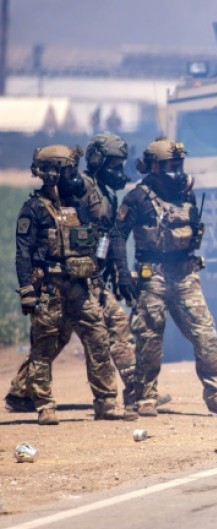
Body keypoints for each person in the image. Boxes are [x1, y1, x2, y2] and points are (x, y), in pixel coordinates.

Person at [5, 132, 147, 416]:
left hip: (83, 284)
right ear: (53, 173)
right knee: (49, 343)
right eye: (68, 169)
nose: (74, 176)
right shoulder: (37, 208)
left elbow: (102, 238)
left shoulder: (80, 205)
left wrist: (114, 274)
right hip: (51, 287)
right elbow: (23, 252)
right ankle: (32, 397)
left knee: (100, 336)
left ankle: (119, 398)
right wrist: (27, 292)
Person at [112, 137, 217, 417]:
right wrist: (122, 273)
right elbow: (118, 235)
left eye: (179, 165)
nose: (176, 171)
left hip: (185, 276)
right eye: (170, 165)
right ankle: (145, 397)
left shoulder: (185, 194)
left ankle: (216, 396)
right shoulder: (138, 198)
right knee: (149, 339)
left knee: (206, 336)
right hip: (152, 276)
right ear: (153, 166)